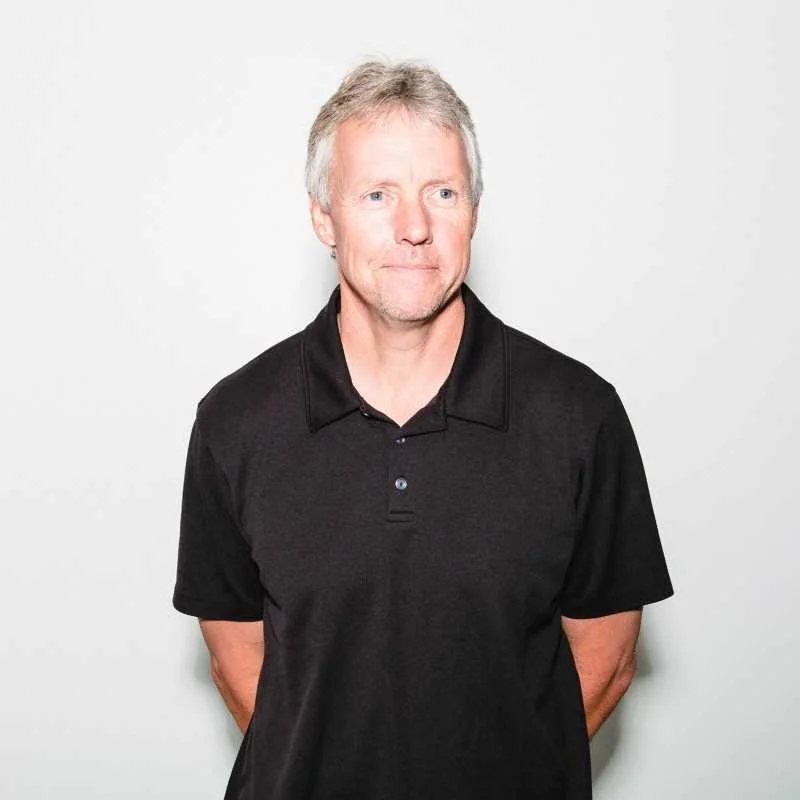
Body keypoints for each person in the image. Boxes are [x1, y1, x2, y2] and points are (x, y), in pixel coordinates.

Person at [173, 59, 673, 800]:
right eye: (377, 195)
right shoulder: (236, 422)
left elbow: (607, 651)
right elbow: (235, 654)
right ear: (323, 217)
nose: (414, 228)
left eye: (442, 192)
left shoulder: (578, 415)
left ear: (474, 209)